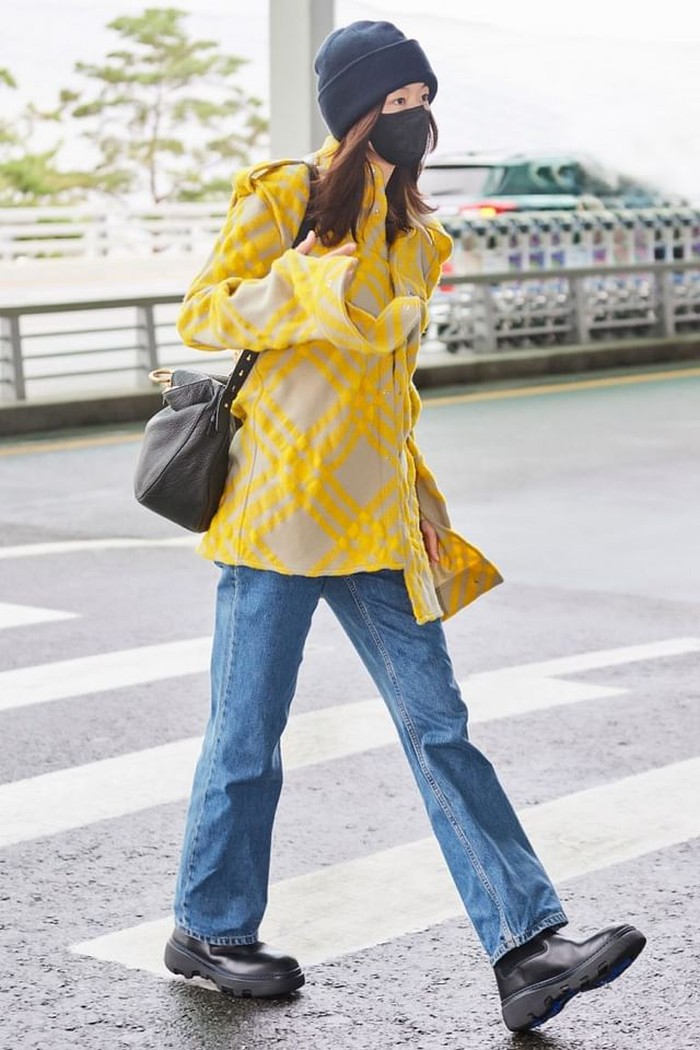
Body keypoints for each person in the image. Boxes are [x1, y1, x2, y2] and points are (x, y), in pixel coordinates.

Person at [163, 19, 645, 1033]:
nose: (411, 116)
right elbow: (203, 314)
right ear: (354, 114)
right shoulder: (285, 198)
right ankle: (209, 928)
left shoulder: (426, 239)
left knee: (442, 732)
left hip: (376, 522)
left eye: (422, 99)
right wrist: (303, 281)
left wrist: (421, 505)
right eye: (392, 102)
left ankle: (526, 947)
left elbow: (388, 396)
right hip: (277, 520)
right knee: (247, 736)